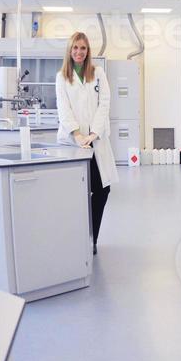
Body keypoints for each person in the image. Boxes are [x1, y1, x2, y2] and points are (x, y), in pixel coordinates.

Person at [56, 31, 117, 254]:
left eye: (83, 48)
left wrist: (93, 133)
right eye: (75, 48)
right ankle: (76, 238)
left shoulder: (97, 73)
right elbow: (64, 109)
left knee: (103, 190)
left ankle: (92, 238)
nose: (79, 52)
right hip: (73, 143)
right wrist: (77, 135)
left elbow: (105, 103)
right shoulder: (62, 77)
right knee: (76, 192)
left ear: (87, 50)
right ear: (69, 50)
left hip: (96, 141)